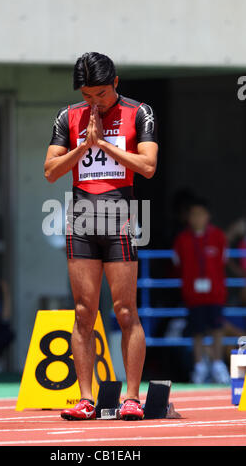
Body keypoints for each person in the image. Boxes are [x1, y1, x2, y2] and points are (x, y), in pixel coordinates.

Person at [44, 52, 158, 420]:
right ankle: (86, 398)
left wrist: (104, 145)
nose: (95, 102)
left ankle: (132, 397)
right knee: (83, 313)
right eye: (88, 95)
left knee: (126, 312)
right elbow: (49, 171)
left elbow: (148, 167)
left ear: (116, 83)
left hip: (120, 216)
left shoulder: (139, 113)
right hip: (81, 218)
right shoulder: (68, 116)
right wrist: (82, 146)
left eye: (102, 95)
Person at [173, 198, 230, 384]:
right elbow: (177, 264)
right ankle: (199, 366)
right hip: (193, 294)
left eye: (200, 214)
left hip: (215, 293)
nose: (197, 218)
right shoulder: (182, 239)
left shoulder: (219, 237)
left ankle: (217, 363)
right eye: (193, 214)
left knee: (217, 328)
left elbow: (223, 260)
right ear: (188, 217)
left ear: (208, 216)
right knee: (196, 330)